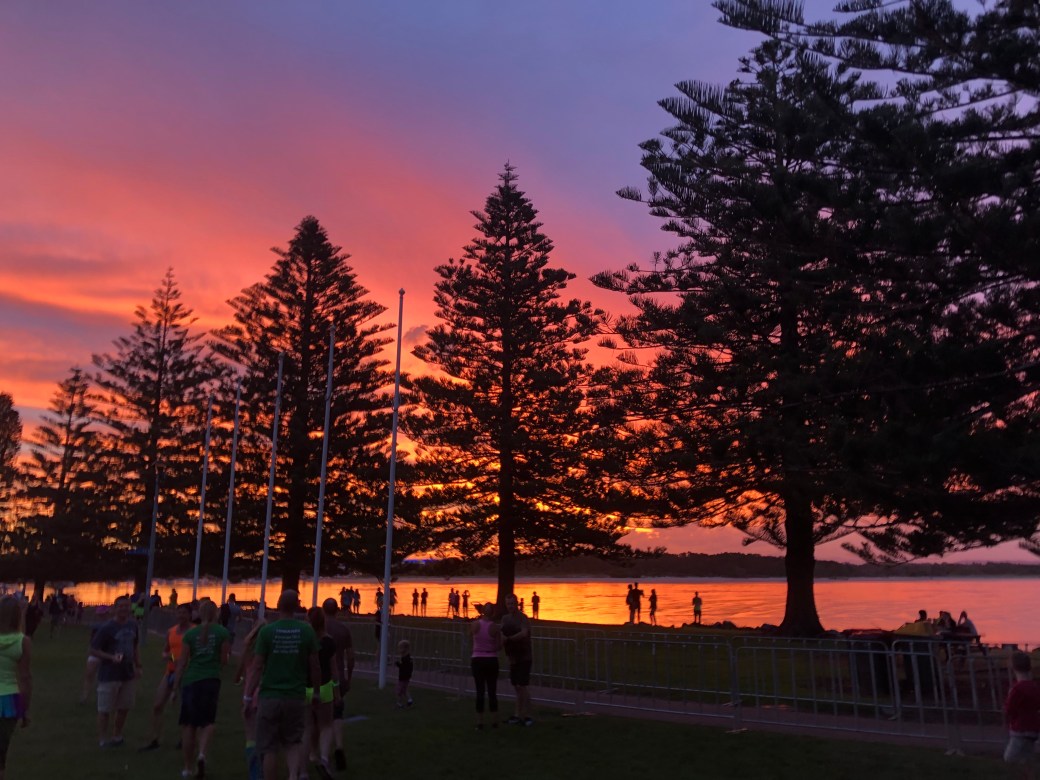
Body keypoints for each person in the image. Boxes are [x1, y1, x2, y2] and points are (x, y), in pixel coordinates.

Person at [242, 590, 321, 780]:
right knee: (292, 742)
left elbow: (257, 667)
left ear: (278, 605)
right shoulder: (306, 631)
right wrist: (316, 692)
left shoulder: (268, 631)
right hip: (295, 696)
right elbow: (315, 666)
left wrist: (247, 696)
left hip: (270, 696)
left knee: (269, 748)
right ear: (297, 606)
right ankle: (294, 775)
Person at [175, 599, 231, 780]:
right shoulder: (223, 633)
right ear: (216, 614)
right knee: (207, 722)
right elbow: (224, 660)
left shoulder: (191, 634)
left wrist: (176, 686)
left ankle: (187, 767)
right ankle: (202, 754)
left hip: (191, 680)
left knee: (189, 725)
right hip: (211, 680)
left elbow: (182, 662)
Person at [91, 595, 142, 747]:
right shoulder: (107, 628)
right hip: (109, 673)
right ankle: (102, 739)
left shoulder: (133, 626)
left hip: (127, 672)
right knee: (105, 708)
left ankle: (117, 736)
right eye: (121, 606)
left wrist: (138, 665)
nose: (124, 609)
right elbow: (93, 650)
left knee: (124, 707)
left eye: (127, 606)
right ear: (115, 608)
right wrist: (110, 657)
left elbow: (135, 647)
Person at [142, 603, 192, 751]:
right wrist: (170, 657)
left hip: (187, 673)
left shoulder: (195, 631)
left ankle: (185, 739)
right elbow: (165, 651)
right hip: (170, 672)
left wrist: (184, 661)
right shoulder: (171, 631)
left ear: (190, 615)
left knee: (185, 708)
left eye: (184, 613)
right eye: (179, 613)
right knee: (157, 705)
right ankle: (155, 739)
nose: (181, 615)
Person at [302, 607, 339, 780]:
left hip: (305, 689)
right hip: (324, 688)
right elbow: (334, 669)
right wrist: (336, 689)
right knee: (326, 726)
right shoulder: (328, 642)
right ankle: (323, 758)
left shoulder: (304, 641)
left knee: (308, 727)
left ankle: (306, 764)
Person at [0, 596, 32, 780]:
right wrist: (25, 710)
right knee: (1, 753)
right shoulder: (23, 642)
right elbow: (25, 678)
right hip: (9, 700)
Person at [321, 598, 354, 773]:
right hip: (339, 678)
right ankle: (339, 746)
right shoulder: (343, 629)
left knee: (319, 719)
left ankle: (319, 755)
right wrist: (349, 677)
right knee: (338, 714)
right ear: (337, 610)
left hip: (320, 678)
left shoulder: (318, 629)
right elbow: (350, 656)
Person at [236, 618, 267, 780]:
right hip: (265, 693)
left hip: (250, 692)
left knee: (250, 736)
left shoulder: (248, 648)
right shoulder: (269, 648)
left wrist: (240, 679)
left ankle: (255, 773)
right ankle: (263, 766)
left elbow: (239, 672)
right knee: (265, 735)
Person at [1004, 651, 1040, 779]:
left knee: (1010, 759)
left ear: (1013, 668)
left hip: (1020, 728)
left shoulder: (1017, 689)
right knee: (1027, 759)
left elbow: (1009, 709)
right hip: (1033, 727)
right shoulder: (1034, 686)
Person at [501, 594, 533, 727]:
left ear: (517, 604)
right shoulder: (505, 618)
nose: (511, 606)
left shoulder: (523, 618)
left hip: (524, 656)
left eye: (513, 604)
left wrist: (510, 638)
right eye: (508, 604)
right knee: (516, 686)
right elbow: (502, 632)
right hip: (512, 657)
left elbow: (524, 632)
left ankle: (527, 715)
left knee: (522, 686)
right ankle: (517, 714)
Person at [470, 602, 501, 730]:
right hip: (491, 659)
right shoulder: (494, 627)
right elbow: (499, 646)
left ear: (482, 611)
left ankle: (479, 722)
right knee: (492, 691)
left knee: (480, 691)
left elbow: (470, 636)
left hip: (477, 659)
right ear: (493, 612)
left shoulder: (475, 625)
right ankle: (494, 721)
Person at [395, 640, 413, 708]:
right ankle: (410, 700)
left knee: (399, 690)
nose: (399, 650)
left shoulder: (406, 659)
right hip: (407, 677)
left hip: (403, 677)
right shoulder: (408, 657)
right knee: (405, 689)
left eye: (400, 648)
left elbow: (403, 668)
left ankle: (399, 703)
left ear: (404, 649)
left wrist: (398, 664)